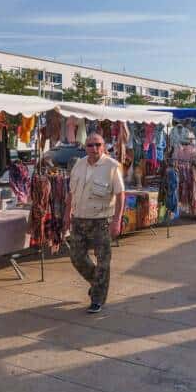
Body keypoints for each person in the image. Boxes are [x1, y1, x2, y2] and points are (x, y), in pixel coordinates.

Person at [64, 133, 125, 314]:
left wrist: (117, 220)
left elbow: (121, 194)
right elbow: (71, 193)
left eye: (98, 144)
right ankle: (97, 283)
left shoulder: (112, 166)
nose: (94, 148)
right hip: (79, 219)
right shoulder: (79, 165)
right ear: (85, 147)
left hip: (101, 221)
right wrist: (67, 215)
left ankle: (97, 298)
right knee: (77, 258)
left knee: (103, 261)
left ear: (104, 146)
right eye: (90, 145)